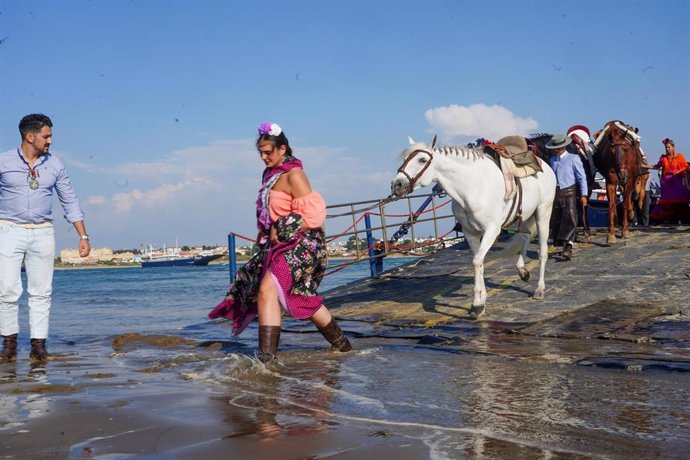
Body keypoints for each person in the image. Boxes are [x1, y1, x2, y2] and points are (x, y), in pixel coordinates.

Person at [208, 122, 351, 362]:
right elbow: (273, 211)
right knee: (298, 295)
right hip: (279, 245)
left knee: (267, 290)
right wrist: (266, 231)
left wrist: (283, 227)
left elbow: (315, 215)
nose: (264, 157)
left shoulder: (294, 175)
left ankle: (267, 360)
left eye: (268, 152)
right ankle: (342, 345)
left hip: (302, 243)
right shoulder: (269, 175)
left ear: (282, 148)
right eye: (260, 153)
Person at [0, 114, 91, 363]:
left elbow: (69, 200)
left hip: (43, 231)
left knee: (42, 292)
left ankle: (38, 346)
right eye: (46, 136)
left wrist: (82, 235)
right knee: (7, 290)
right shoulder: (3, 162)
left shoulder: (56, 165)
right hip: (8, 229)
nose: (50, 141)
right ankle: (8, 346)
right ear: (30, 136)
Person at [546, 133, 588, 260]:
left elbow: (582, 178)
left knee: (570, 218)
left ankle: (568, 247)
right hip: (556, 193)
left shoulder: (573, 158)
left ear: (563, 147)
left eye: (557, 148)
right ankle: (560, 243)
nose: (556, 151)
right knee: (557, 220)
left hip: (569, 192)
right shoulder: (552, 160)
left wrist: (584, 194)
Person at [649, 138, 690, 223]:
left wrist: (678, 172)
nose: (667, 149)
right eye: (666, 148)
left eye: (669, 147)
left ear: (673, 147)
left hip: (677, 182)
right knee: (666, 202)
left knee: (680, 201)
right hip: (666, 183)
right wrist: (645, 166)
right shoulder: (663, 158)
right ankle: (668, 218)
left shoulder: (680, 156)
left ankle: (680, 218)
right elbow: (656, 166)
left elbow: (686, 167)